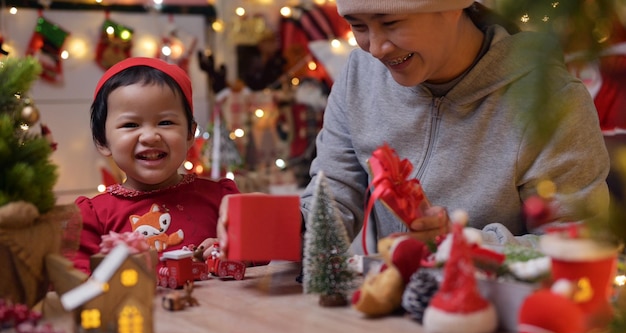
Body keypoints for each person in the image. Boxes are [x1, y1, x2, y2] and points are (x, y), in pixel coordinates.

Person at [219, 0, 610, 257]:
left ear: (455, 6)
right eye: (358, 27)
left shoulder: (552, 99)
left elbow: (580, 242)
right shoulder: (358, 77)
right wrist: (261, 230)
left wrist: (461, 246)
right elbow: (332, 201)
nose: (375, 48)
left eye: (391, 22)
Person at [72, 57, 239, 274]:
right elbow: (75, 280)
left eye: (166, 122)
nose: (150, 136)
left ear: (190, 134)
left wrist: (226, 250)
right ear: (103, 141)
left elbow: (259, 258)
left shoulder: (221, 199)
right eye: (130, 124)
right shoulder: (93, 216)